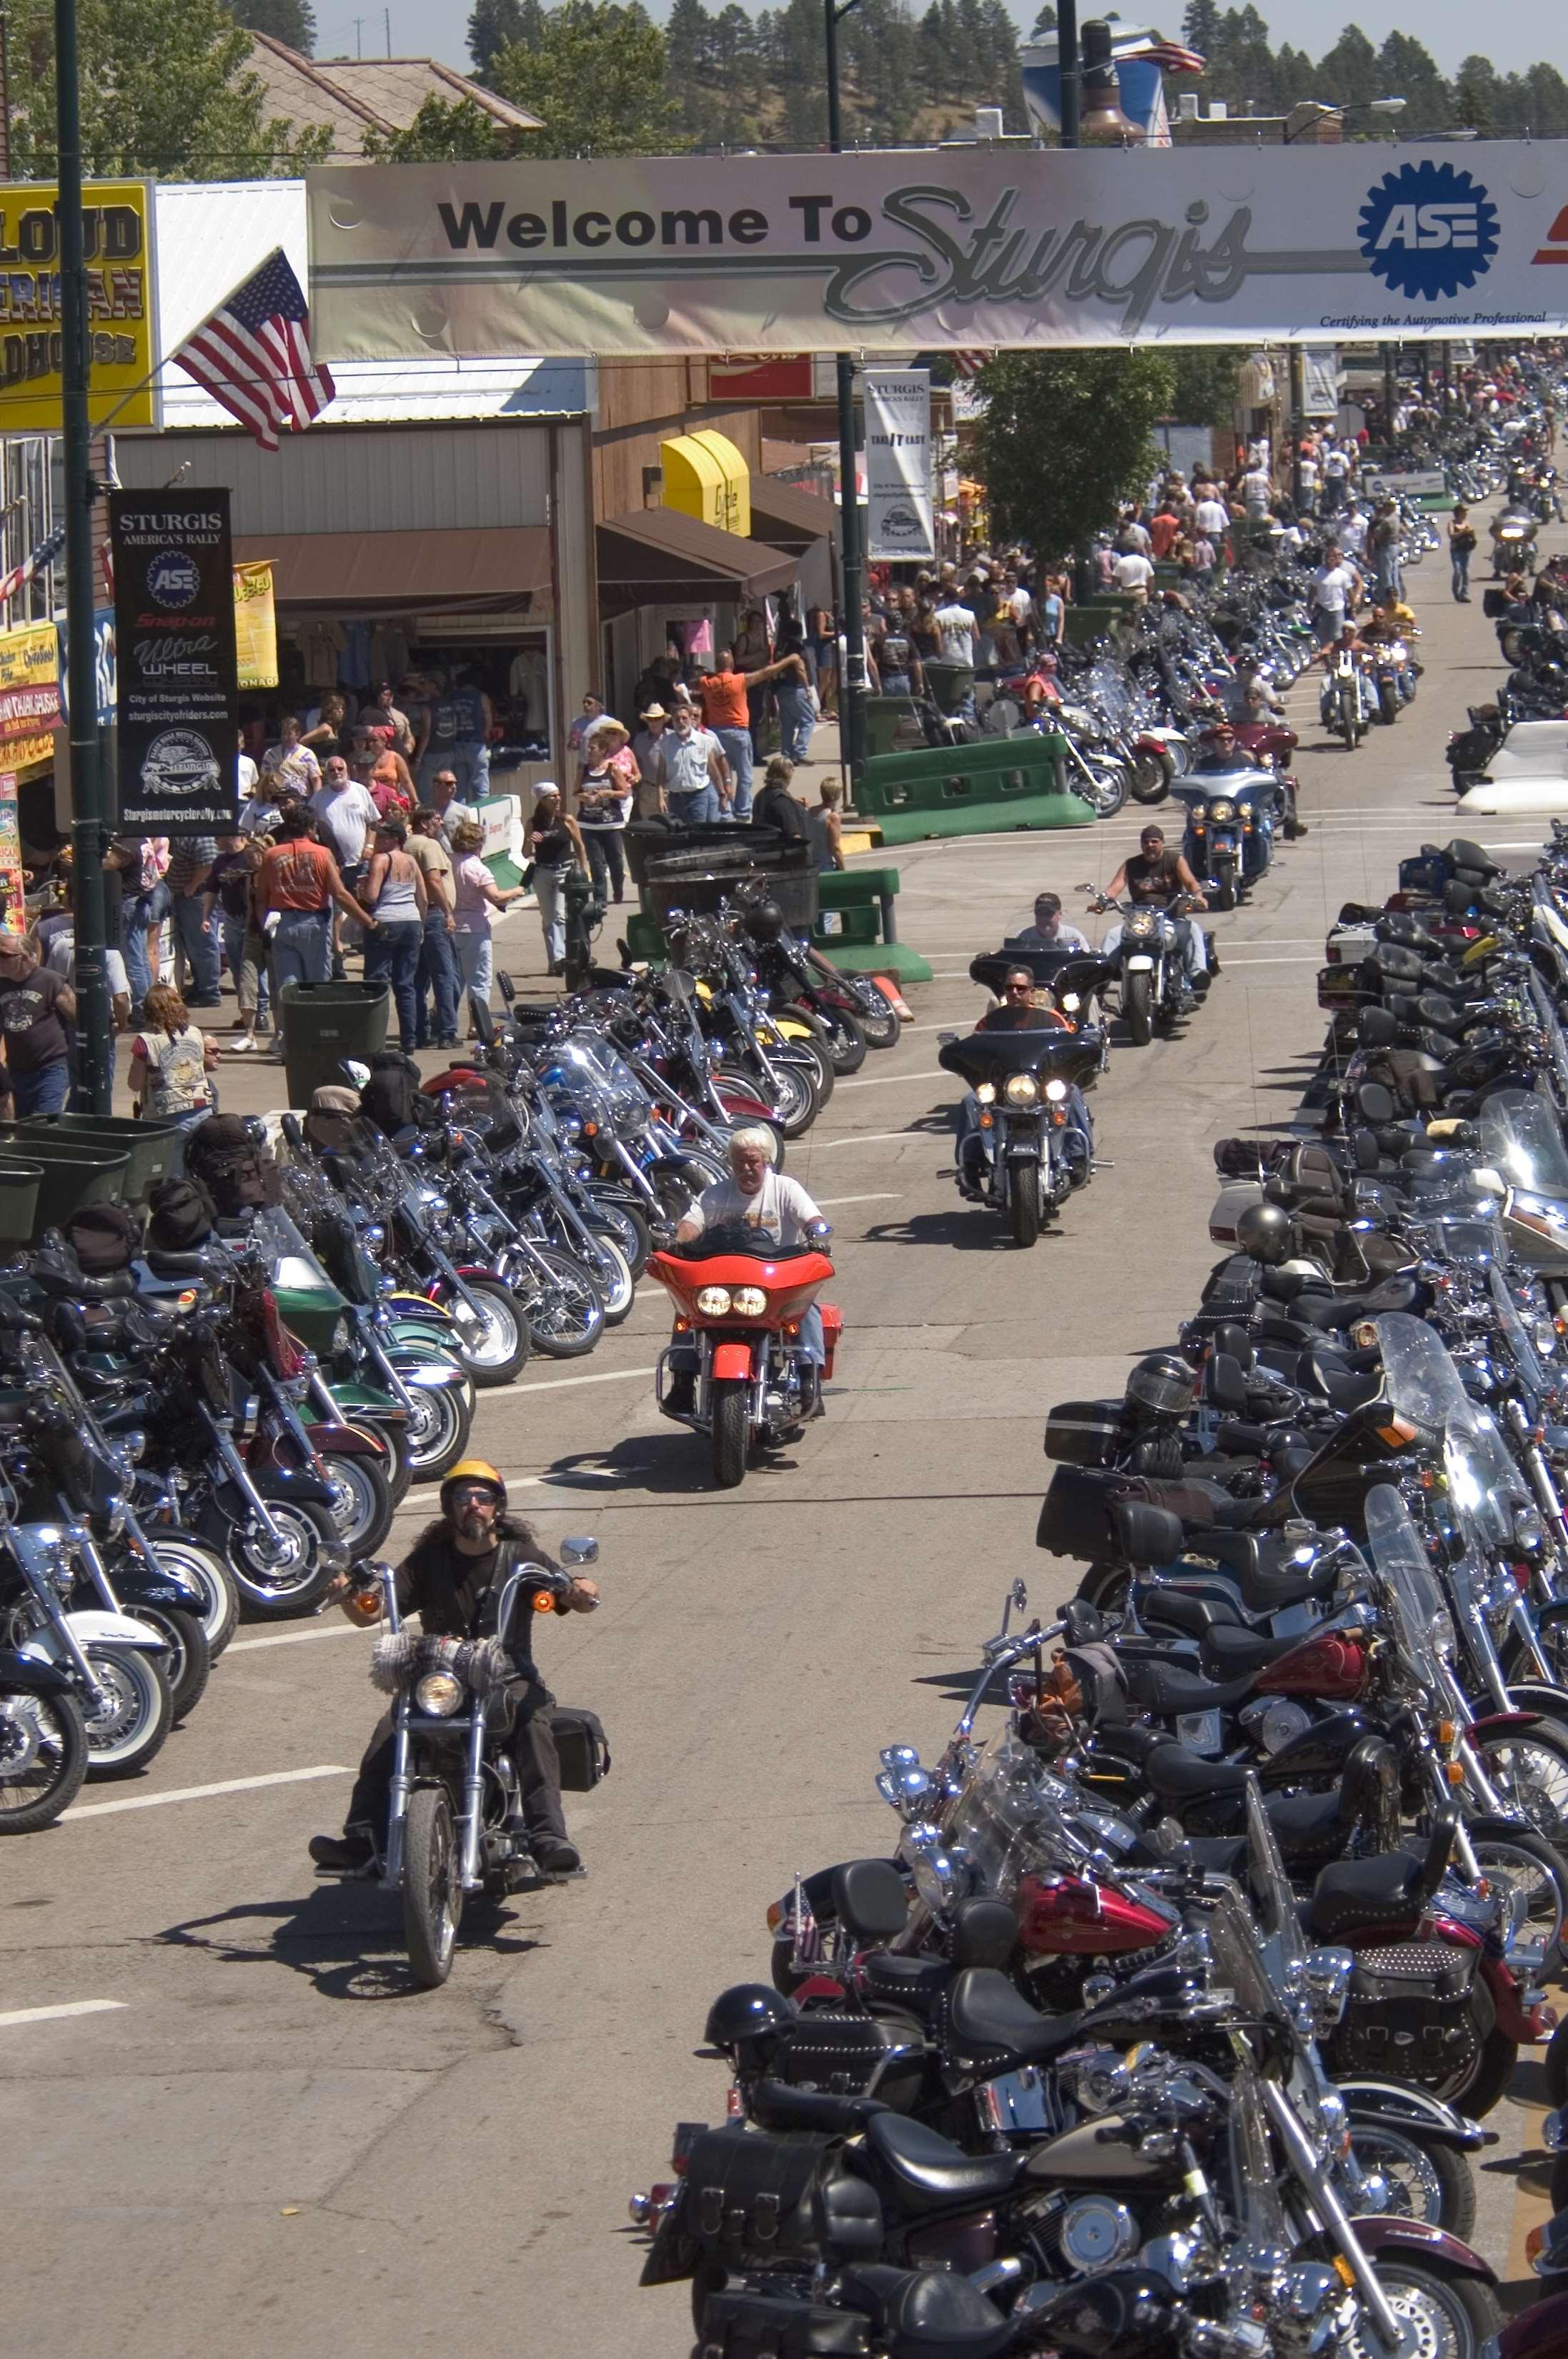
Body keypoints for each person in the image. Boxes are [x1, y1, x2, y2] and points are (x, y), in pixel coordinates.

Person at [307, 1460, 599, 1879]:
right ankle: (362, 1840)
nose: (474, 1506)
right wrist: (349, 1594)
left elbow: (567, 1594)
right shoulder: (428, 1560)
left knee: (534, 1726)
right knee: (391, 1729)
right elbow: (372, 1614)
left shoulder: (523, 1558)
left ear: (498, 1508)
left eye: (483, 1498)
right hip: (441, 1676)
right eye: (463, 1499)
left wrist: (581, 1591)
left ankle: (549, 1838)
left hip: (507, 1676)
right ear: (449, 1508)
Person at [665, 1127, 827, 1418]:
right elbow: (692, 1224)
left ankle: (809, 1383)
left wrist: (817, 1231)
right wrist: (677, 1239)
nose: (747, 1168)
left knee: (806, 1309)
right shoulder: (714, 1194)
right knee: (685, 1312)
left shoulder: (785, 1189)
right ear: (731, 1163)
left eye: (753, 1161)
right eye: (740, 1161)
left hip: (775, 1282)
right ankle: (681, 1383)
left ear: (766, 1161)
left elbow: (811, 1217)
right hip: (723, 1281)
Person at [952, 966, 1092, 1197]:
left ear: (1031, 991)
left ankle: (1079, 1158)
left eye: (1021, 988)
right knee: (970, 1101)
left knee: (1073, 1092)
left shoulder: (1052, 1019)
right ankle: (970, 1167)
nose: (1015, 992)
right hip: (1003, 1088)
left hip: (1041, 1086)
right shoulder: (990, 1023)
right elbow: (976, 1049)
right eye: (1010, 988)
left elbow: (1068, 1048)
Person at [257, 809, 374, 1031]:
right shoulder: (322, 853)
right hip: (314, 923)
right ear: (310, 829)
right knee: (318, 986)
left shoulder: (272, 855)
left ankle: (289, 1040)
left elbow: (261, 898)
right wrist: (368, 922)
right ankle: (320, 1035)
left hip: (282, 923)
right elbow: (340, 894)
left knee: (288, 987)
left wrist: (265, 928)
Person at [1101, 824, 1209, 1001]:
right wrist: (1102, 901)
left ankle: (1198, 975)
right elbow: (1115, 888)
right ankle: (1102, 977)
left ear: (1162, 843)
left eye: (1154, 841)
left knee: (1193, 929)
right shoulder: (1131, 864)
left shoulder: (1174, 860)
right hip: (1140, 918)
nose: (1150, 845)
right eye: (1146, 842)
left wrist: (1198, 896)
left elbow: (1191, 883)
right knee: (1112, 935)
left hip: (1171, 915)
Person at [360, 818, 428, 1054]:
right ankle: (409, 1039)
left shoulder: (381, 859)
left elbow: (371, 895)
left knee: (377, 982)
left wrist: (361, 889)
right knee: (405, 983)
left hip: (387, 920)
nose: (377, 841)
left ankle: (373, 1036)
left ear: (394, 840)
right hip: (411, 921)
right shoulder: (411, 861)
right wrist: (421, 924)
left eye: (381, 837)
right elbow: (423, 897)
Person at [452, 814, 528, 1009]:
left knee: (454, 979)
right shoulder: (478, 868)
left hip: (452, 924)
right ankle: (476, 1024)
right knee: (479, 979)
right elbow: (495, 897)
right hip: (474, 927)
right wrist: (517, 890)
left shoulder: (449, 862)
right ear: (479, 843)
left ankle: (446, 1021)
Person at [204, 835, 271, 1047]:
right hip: (232, 920)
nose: (216, 841)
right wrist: (205, 916)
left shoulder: (253, 856)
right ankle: (247, 1013)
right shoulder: (220, 862)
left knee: (256, 970)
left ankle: (261, 1013)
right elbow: (212, 890)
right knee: (239, 970)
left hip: (255, 921)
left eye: (219, 837)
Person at [0, 929, 74, 1114]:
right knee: (24, 1127)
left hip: (50, 1069)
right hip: (17, 1071)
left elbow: (76, 1016)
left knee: (44, 1124)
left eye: (5, 955)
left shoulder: (50, 980)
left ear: (24, 958)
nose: (0, 959)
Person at [408, 808, 461, 1049]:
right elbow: (433, 880)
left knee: (419, 979)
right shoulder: (428, 846)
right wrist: (447, 912)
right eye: (436, 819)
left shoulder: (406, 845)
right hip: (433, 913)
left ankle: (420, 1031)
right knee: (445, 976)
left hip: (413, 915)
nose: (440, 823)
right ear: (424, 823)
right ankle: (447, 1032)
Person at [127, 981, 219, 1117]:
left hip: (165, 1112)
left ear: (148, 1011)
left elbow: (135, 1084)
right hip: (202, 1107)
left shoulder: (144, 1041)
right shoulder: (196, 1033)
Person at [573, 727, 634, 907]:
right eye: (588, 747)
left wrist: (607, 793)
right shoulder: (583, 770)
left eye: (593, 748)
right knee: (596, 863)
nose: (589, 751)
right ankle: (600, 898)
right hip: (589, 823)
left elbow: (624, 792)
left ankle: (618, 887)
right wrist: (584, 797)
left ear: (602, 750)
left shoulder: (612, 769)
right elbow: (575, 792)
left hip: (611, 822)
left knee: (615, 860)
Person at [166, 835, 222, 1009]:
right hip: (190, 897)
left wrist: (192, 885)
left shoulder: (201, 834)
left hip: (197, 896)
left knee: (202, 945)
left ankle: (209, 992)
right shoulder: (191, 834)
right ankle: (202, 987)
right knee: (194, 945)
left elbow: (208, 864)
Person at [659, 703, 730, 824]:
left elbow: (713, 770)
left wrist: (722, 794)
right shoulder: (665, 743)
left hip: (698, 797)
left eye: (684, 718)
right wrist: (660, 798)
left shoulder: (705, 741)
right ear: (673, 722)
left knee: (697, 833)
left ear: (691, 719)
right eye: (677, 719)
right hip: (675, 798)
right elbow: (661, 774)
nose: (681, 722)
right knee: (678, 835)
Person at [770, 637, 818, 766]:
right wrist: (807, 688)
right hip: (796, 688)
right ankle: (800, 752)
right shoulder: (796, 648)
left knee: (788, 724)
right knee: (808, 720)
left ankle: (786, 754)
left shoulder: (780, 646)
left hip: (782, 688)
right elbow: (800, 669)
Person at [1309, 543, 1361, 647]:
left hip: (1338, 610)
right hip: (1323, 609)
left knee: (1337, 636)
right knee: (1322, 635)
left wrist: (1354, 608)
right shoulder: (1318, 573)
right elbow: (1313, 591)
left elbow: (1350, 592)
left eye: (1333, 557)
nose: (1331, 560)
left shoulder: (1342, 574)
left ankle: (1337, 658)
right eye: (1329, 557)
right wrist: (1309, 605)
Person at [751, 755, 808, 846]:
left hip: (762, 848)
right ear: (787, 774)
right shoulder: (782, 801)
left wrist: (793, 802)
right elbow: (794, 835)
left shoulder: (761, 794)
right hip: (782, 854)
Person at [263, 715, 322, 799]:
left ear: (298, 734)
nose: (285, 737)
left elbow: (316, 780)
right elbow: (265, 780)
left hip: (301, 799)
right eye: (283, 733)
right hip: (278, 799)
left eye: (289, 734)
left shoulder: (308, 754)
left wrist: (316, 800)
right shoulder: (271, 754)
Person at [1012, 891, 1091, 953]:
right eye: (1040, 913)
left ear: (1059, 914)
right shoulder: (1023, 936)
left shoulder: (1073, 936)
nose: (1043, 919)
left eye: (1048, 914)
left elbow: (1087, 962)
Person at [805, 778, 845, 873]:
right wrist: (844, 871)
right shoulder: (832, 817)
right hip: (825, 867)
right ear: (837, 795)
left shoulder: (810, 812)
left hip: (809, 866)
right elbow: (835, 848)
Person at [1449, 505, 1477, 602]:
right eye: (1463, 512)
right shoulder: (1452, 523)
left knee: (1466, 572)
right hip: (1456, 550)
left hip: (1466, 549)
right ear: (1458, 513)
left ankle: (1464, 593)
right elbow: (1451, 536)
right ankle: (1456, 591)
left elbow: (1472, 533)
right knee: (1458, 571)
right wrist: (1462, 532)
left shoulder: (1467, 523)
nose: (1465, 514)